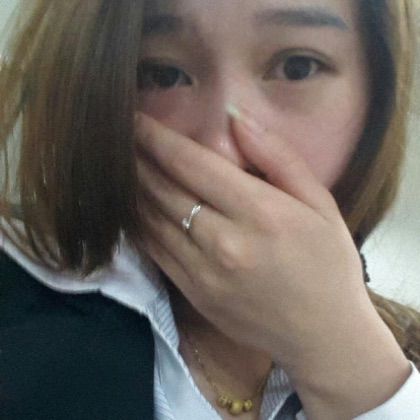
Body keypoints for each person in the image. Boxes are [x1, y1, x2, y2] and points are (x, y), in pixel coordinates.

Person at [0, 0, 420, 419]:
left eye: (297, 68)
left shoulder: (403, 357)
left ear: (377, 99)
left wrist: (352, 367)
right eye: (162, 75)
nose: (222, 149)